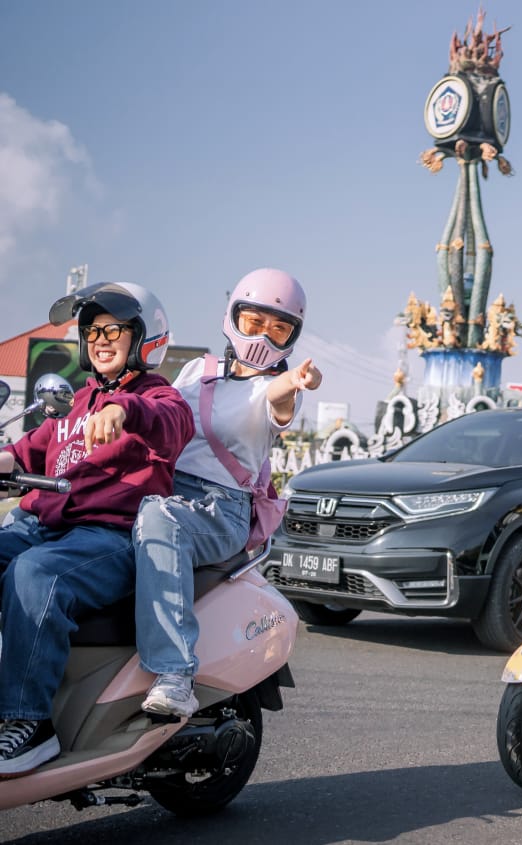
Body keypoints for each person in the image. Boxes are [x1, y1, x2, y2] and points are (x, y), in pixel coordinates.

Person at [0, 283, 193, 777]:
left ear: (144, 338)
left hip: (106, 539)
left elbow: (173, 423)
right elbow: (23, 454)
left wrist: (123, 409)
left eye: (114, 330)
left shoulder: (158, 396)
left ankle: (28, 723)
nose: (100, 340)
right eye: (92, 331)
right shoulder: (76, 402)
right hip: (46, 527)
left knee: (34, 574)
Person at [132, 268, 322, 719]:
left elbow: (278, 399)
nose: (263, 336)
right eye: (254, 322)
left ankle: (175, 674)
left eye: (279, 329)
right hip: (164, 491)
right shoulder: (197, 370)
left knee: (159, 520)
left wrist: (297, 381)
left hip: (221, 508)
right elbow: (162, 420)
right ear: (233, 317)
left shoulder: (274, 388)